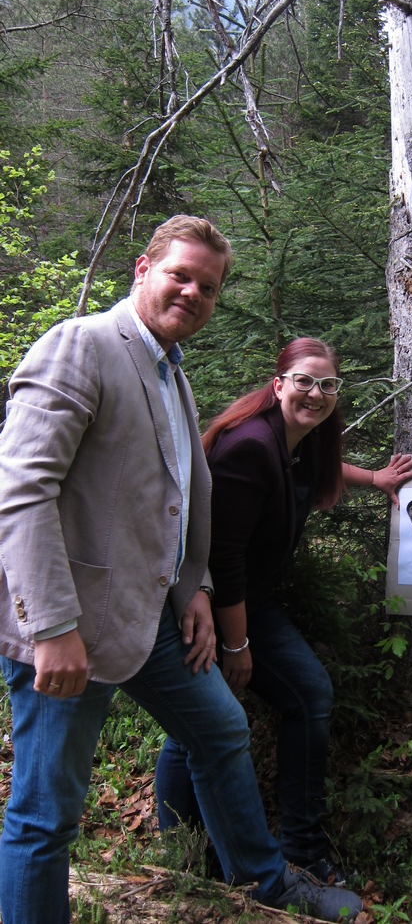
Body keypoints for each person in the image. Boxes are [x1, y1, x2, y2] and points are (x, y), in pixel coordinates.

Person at [0, 216, 363, 924]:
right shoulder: (83, 346)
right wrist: (51, 625)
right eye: (182, 275)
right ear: (143, 268)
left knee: (221, 729)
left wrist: (193, 584)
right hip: (70, 624)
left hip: (148, 616)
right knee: (47, 814)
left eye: (209, 286)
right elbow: (21, 490)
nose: (194, 292)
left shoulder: (171, 373)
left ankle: (263, 881)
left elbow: (171, 498)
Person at [155, 336, 412, 886]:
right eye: (303, 381)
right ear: (278, 386)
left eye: (326, 384)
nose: (315, 393)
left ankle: (298, 844)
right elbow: (222, 558)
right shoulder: (250, 444)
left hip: (253, 600)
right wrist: (236, 644)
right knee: (196, 725)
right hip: (208, 605)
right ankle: (183, 848)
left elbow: (319, 470)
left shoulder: (303, 437)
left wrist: (375, 479)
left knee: (307, 695)